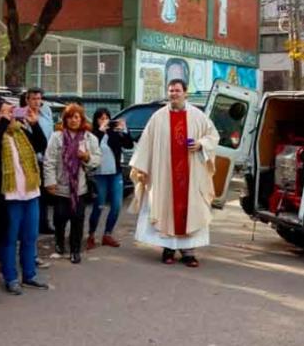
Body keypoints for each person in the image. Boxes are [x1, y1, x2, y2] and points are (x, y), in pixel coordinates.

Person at [129, 79, 219, 267]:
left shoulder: (198, 116)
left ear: (185, 92)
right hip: (165, 175)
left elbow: (213, 136)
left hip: (191, 174)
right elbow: (146, 142)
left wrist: (201, 144)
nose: (174, 94)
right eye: (171, 91)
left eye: (177, 90)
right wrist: (141, 167)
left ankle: (189, 253)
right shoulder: (158, 117)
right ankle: (168, 250)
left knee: (191, 211)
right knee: (166, 208)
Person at [0, 96, 49, 295]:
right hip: (8, 196)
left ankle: (30, 274)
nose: (11, 115)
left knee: (30, 236)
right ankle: (10, 278)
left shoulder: (19, 131)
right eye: (6, 111)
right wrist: (3, 121)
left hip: (30, 192)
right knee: (8, 239)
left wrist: (34, 125)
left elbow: (40, 144)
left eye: (12, 111)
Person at [43, 104, 101, 264]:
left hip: (80, 188)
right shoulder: (57, 137)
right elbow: (49, 161)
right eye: (70, 117)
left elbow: (97, 160)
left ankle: (75, 250)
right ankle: (60, 242)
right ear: (65, 119)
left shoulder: (89, 138)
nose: (73, 120)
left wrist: (87, 157)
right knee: (60, 218)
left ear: (81, 119)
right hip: (61, 186)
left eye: (76, 117)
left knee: (78, 219)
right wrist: (50, 182)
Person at [86, 108, 134, 250]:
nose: (104, 120)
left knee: (116, 205)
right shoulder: (92, 134)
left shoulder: (114, 133)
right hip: (100, 174)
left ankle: (108, 234)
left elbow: (128, 145)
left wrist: (124, 130)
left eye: (107, 118)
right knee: (99, 205)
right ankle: (91, 234)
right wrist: (101, 131)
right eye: (101, 118)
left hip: (115, 173)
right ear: (96, 120)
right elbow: (92, 147)